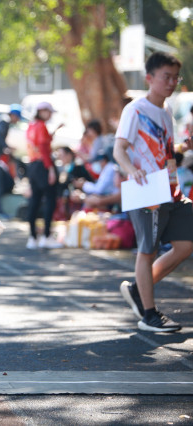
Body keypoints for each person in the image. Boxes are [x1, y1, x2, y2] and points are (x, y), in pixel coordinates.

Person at [114, 51, 193, 333]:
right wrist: (131, 170)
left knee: (185, 245)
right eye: (166, 77)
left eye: (175, 78)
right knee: (147, 251)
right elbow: (119, 149)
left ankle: (139, 288)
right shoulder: (135, 109)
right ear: (149, 78)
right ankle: (148, 314)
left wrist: (183, 148)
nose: (171, 83)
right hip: (147, 191)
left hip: (171, 189)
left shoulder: (166, 110)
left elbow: (165, 150)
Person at [25, 101, 63, 249]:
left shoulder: (32, 125)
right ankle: (46, 236)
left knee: (35, 201)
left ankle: (32, 237)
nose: (51, 115)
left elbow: (43, 143)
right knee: (50, 200)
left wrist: (55, 131)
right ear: (42, 111)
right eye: (49, 112)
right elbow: (43, 147)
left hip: (33, 165)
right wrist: (50, 168)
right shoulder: (41, 126)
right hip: (43, 165)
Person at [55, 146, 93, 219]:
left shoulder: (77, 166)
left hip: (82, 200)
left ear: (69, 155)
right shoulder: (67, 168)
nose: (60, 158)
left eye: (61, 156)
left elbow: (85, 182)